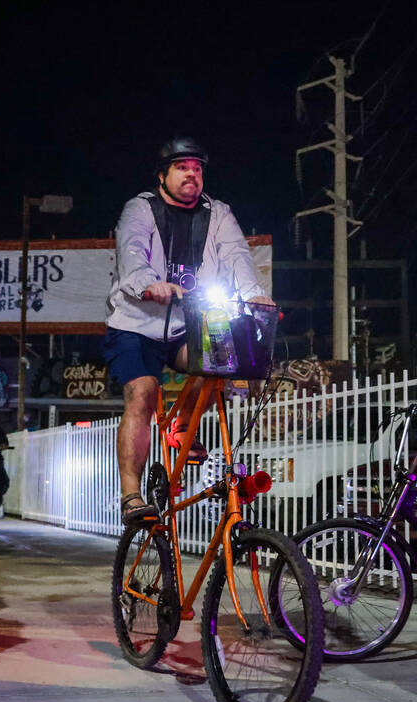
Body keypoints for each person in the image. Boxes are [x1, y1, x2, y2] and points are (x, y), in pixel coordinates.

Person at [104, 137, 273, 526]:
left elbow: (237, 257)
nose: (192, 175)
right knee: (143, 394)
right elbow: (131, 250)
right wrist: (148, 282)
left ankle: (181, 426)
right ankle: (131, 494)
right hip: (136, 323)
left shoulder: (218, 213)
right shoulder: (141, 208)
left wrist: (255, 296)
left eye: (197, 169)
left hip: (186, 323)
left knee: (222, 364)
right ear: (163, 175)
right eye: (183, 168)